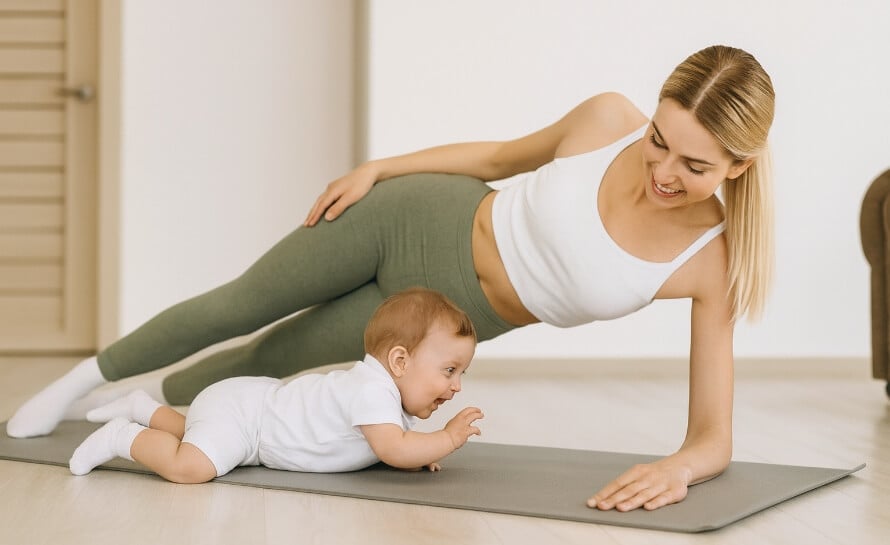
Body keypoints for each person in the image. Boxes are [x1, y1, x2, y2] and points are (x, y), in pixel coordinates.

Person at [7, 44, 775, 511]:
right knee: (236, 305)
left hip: (433, 319)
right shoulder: (607, 117)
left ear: (740, 166)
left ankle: (138, 408)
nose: (662, 171)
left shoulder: (707, 260)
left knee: (265, 364)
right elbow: (500, 159)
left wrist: (679, 468)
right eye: (658, 141)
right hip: (413, 216)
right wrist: (380, 168)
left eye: (695, 164)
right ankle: (78, 382)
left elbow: (713, 437)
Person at [68, 287, 482, 480]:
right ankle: (121, 437)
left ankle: (142, 407)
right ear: (399, 360)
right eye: (449, 371)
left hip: (247, 405)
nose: (457, 386)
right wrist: (444, 439)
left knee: (190, 430)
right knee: (190, 465)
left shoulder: (382, 395)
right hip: (249, 421)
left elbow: (396, 448)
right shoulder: (372, 392)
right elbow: (393, 448)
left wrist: (417, 453)